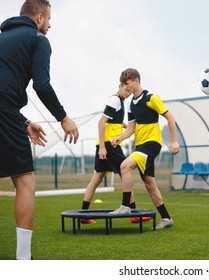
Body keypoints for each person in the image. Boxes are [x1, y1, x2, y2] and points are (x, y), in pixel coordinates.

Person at [0, 0, 79, 260]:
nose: (50, 25)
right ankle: (24, 260)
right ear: (40, 17)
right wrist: (63, 118)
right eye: (48, 20)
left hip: (9, 112)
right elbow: (41, 85)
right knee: (24, 182)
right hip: (5, 110)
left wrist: (22, 123)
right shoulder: (38, 39)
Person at [109, 68, 180, 229]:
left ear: (136, 81)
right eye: (123, 84)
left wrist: (174, 141)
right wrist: (119, 138)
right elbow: (131, 128)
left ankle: (125, 206)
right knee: (149, 183)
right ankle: (167, 218)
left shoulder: (151, 98)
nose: (125, 87)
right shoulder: (130, 104)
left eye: (127, 83)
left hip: (152, 144)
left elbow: (170, 117)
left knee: (124, 166)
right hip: (140, 145)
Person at [80, 83, 141, 224]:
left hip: (106, 144)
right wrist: (103, 147)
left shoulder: (120, 101)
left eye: (130, 91)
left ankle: (83, 214)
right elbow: (101, 123)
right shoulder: (114, 100)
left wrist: (129, 127)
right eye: (126, 90)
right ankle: (134, 213)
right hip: (109, 145)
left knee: (97, 179)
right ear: (120, 85)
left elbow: (115, 122)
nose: (127, 93)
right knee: (126, 173)